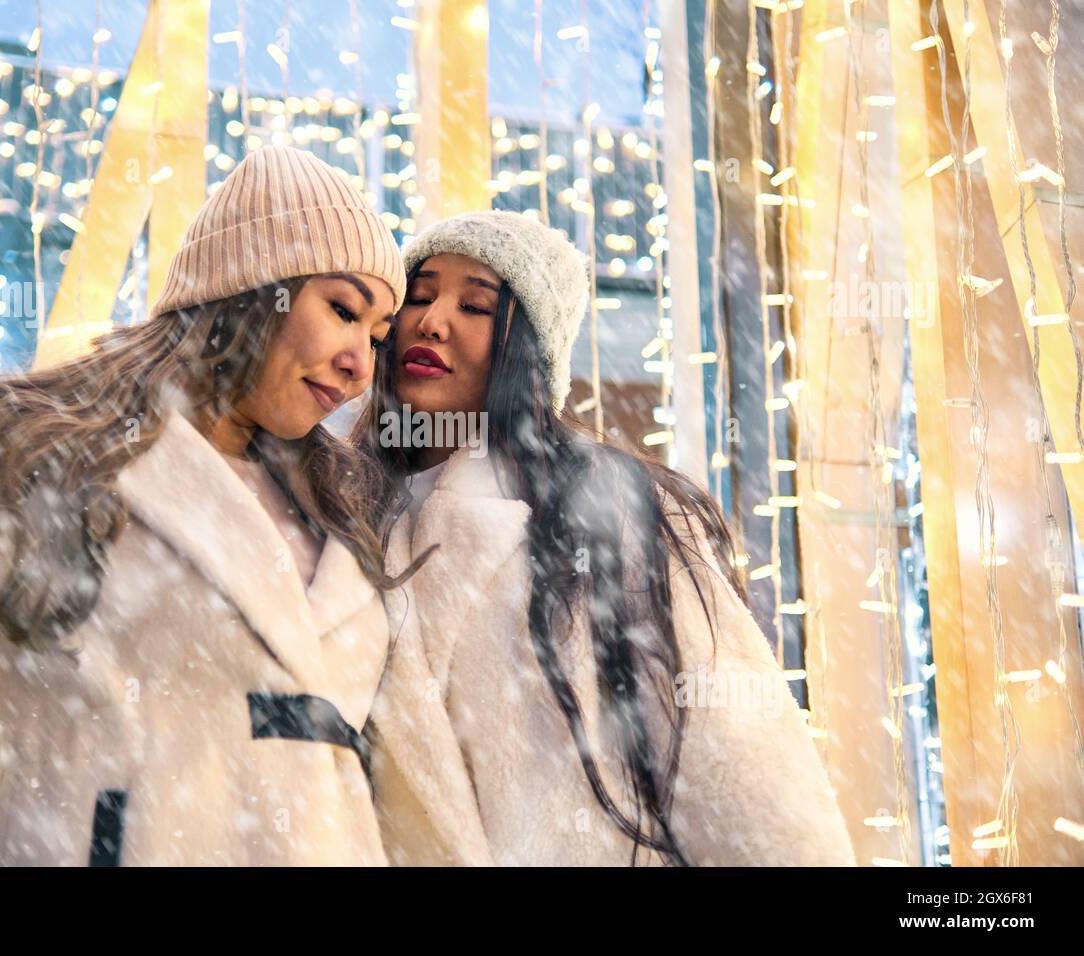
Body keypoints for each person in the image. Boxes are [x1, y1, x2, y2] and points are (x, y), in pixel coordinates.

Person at [0, 145, 411, 865]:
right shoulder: (48, 460)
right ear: (250, 288)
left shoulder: (342, 511)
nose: (361, 363)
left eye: (376, 335)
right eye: (343, 311)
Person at [356, 210, 857, 866]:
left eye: (476, 305)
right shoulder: (346, 512)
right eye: (419, 296)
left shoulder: (616, 509)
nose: (433, 319)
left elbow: (742, 769)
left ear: (527, 351)